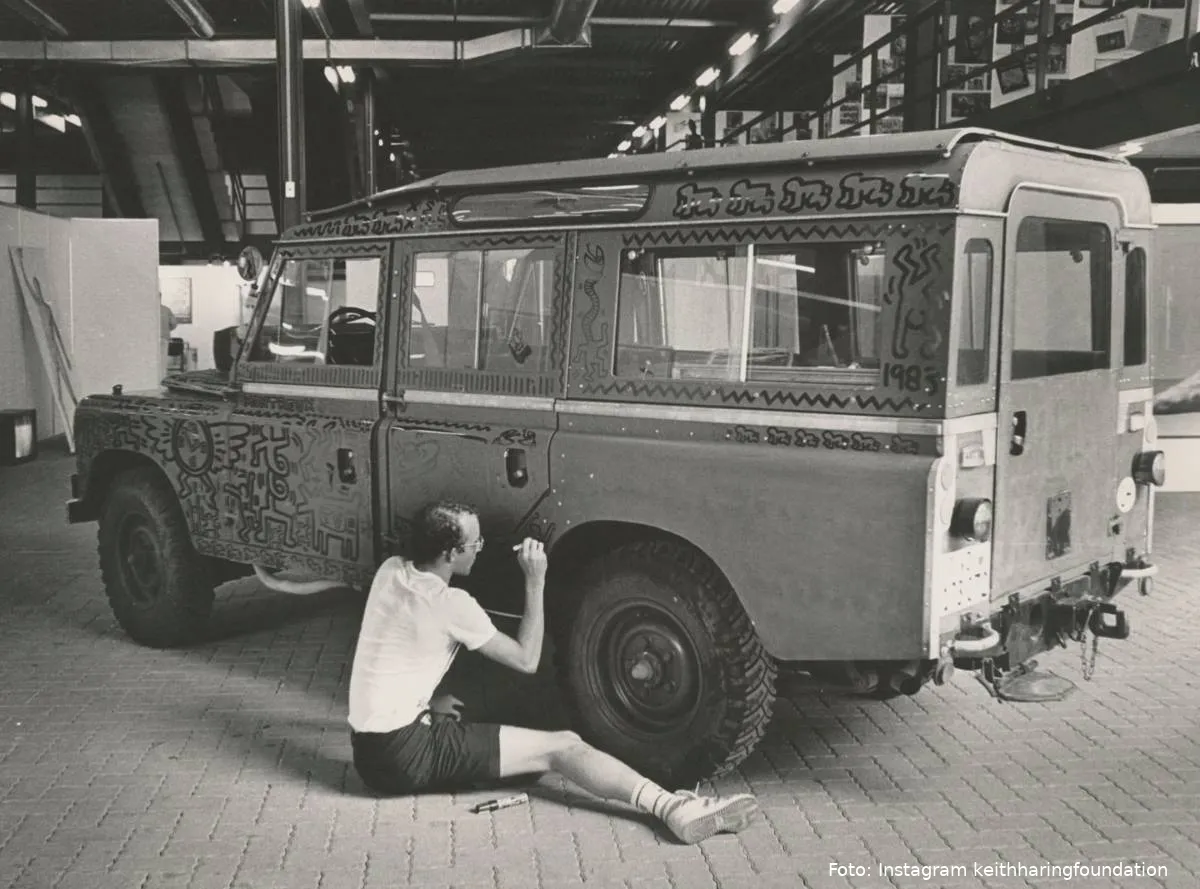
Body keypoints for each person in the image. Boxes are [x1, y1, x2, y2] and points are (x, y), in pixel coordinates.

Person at [347, 501, 760, 844]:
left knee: (518, 745)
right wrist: (535, 581)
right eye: (475, 543)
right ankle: (672, 808)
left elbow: (395, 648)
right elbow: (527, 660)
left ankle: (475, 755)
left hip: (369, 749)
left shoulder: (391, 572)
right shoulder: (451, 603)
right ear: (451, 554)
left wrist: (422, 704)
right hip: (403, 755)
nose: (481, 548)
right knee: (562, 747)